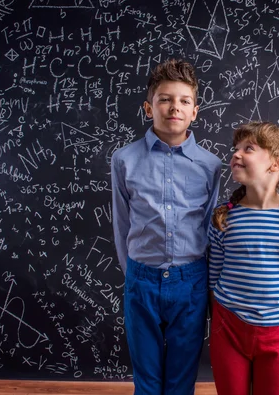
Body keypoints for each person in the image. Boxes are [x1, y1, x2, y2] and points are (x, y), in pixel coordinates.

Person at [111, 59, 222, 395]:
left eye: (184, 101)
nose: (174, 107)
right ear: (149, 107)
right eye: (164, 99)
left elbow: (209, 225)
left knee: (180, 378)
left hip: (191, 281)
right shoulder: (124, 160)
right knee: (146, 378)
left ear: (195, 112)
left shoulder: (210, 166)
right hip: (141, 279)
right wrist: (131, 270)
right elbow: (122, 221)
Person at [208, 121, 279, 395]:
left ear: (276, 163)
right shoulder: (224, 216)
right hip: (228, 328)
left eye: (249, 149)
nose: (236, 154)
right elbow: (213, 275)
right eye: (235, 149)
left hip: (278, 332)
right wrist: (220, 320)